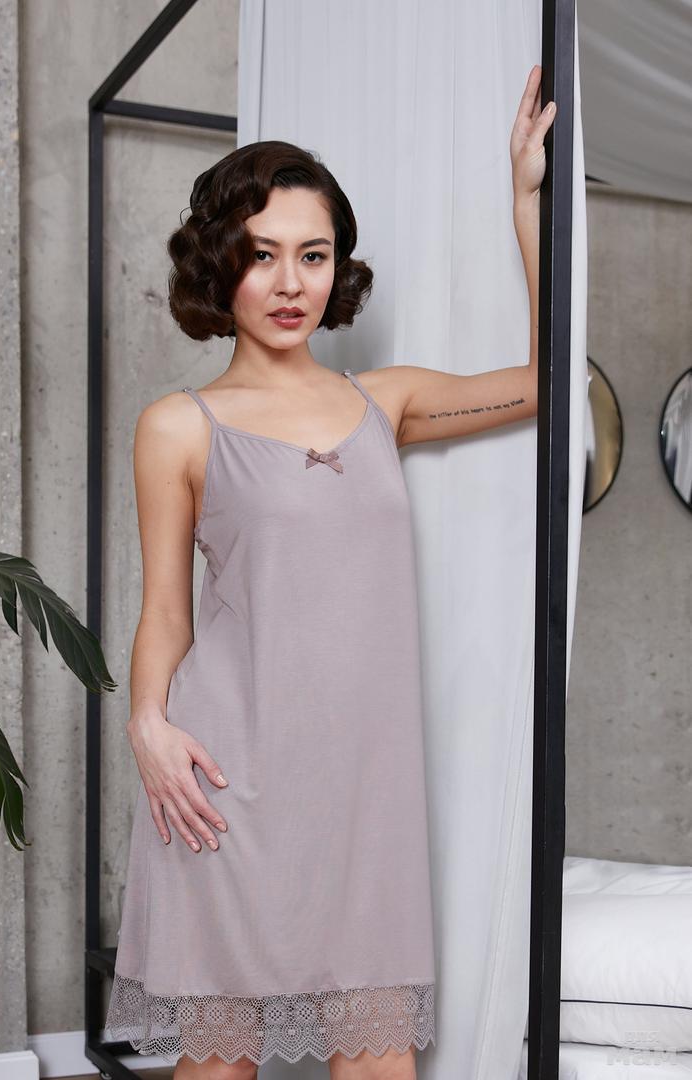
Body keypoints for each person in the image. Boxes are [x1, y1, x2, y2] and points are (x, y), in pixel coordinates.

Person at [104, 64, 555, 1080]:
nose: (290, 283)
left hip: (365, 794)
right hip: (227, 779)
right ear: (221, 265)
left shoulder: (383, 403)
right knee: (221, 1065)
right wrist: (148, 726)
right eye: (262, 255)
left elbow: (547, 381)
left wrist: (524, 206)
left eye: (313, 255)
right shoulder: (178, 426)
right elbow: (166, 610)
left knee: (379, 1061)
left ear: (337, 268)